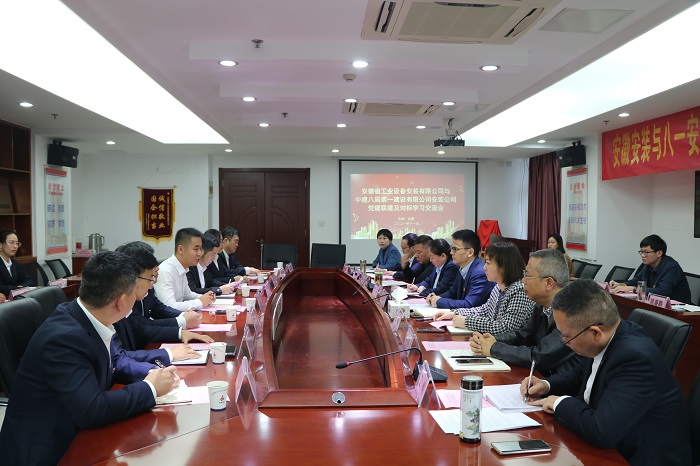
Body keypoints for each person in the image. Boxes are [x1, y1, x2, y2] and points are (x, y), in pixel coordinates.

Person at [0, 251, 179, 465]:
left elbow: (114, 362)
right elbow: (91, 410)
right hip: (48, 453)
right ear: (122, 301)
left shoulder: (87, 316)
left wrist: (153, 374)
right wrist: (150, 389)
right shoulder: (64, 338)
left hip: (76, 434)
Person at [521, 279, 691, 465]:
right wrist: (546, 385)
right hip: (614, 445)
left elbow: (601, 431)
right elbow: (580, 375)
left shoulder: (635, 358)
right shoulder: (607, 337)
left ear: (596, 333)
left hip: (637, 458)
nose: (564, 342)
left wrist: (559, 402)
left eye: (566, 337)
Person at [470, 248, 580, 375]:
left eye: (527, 275)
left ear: (549, 283)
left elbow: (542, 356)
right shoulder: (541, 305)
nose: (523, 281)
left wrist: (494, 348)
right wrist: (491, 340)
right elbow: (523, 335)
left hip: (560, 383)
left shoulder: (572, 311)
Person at [115, 242, 213, 360]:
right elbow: (141, 330)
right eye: (151, 276)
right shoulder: (118, 304)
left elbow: (157, 309)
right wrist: (169, 353)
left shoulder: (143, 287)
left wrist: (184, 318)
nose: (153, 283)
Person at [434, 242, 535, 334]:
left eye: (488, 263)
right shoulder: (498, 287)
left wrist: (467, 321)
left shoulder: (520, 291)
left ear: (504, 266)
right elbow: (484, 310)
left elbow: (506, 327)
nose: (484, 267)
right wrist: (454, 313)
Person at [610, 234, 692, 303]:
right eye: (641, 252)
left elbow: (662, 292)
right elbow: (636, 281)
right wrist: (621, 285)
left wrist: (632, 289)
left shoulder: (672, 267)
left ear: (659, 253)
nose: (643, 255)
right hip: (656, 306)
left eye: (646, 252)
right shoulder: (648, 265)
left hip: (679, 310)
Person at [426, 229, 493, 309]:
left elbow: (469, 304)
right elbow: (453, 292)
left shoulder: (480, 273)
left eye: (455, 249)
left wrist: (439, 301)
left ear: (470, 252)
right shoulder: (462, 267)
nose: (451, 253)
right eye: (452, 248)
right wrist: (435, 298)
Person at [154, 228, 216, 311]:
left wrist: (206, 297)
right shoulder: (166, 271)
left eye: (201, 249)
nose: (199, 253)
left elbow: (187, 295)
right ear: (181, 249)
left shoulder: (183, 268)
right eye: (196, 249)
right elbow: (169, 306)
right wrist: (200, 302)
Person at [0, 230, 34, 297]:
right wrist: (18, 289)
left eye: (17, 243)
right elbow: (1, 288)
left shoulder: (14, 263)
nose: (15, 246)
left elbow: (28, 280)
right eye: (11, 242)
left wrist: (21, 287)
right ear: (0, 245)